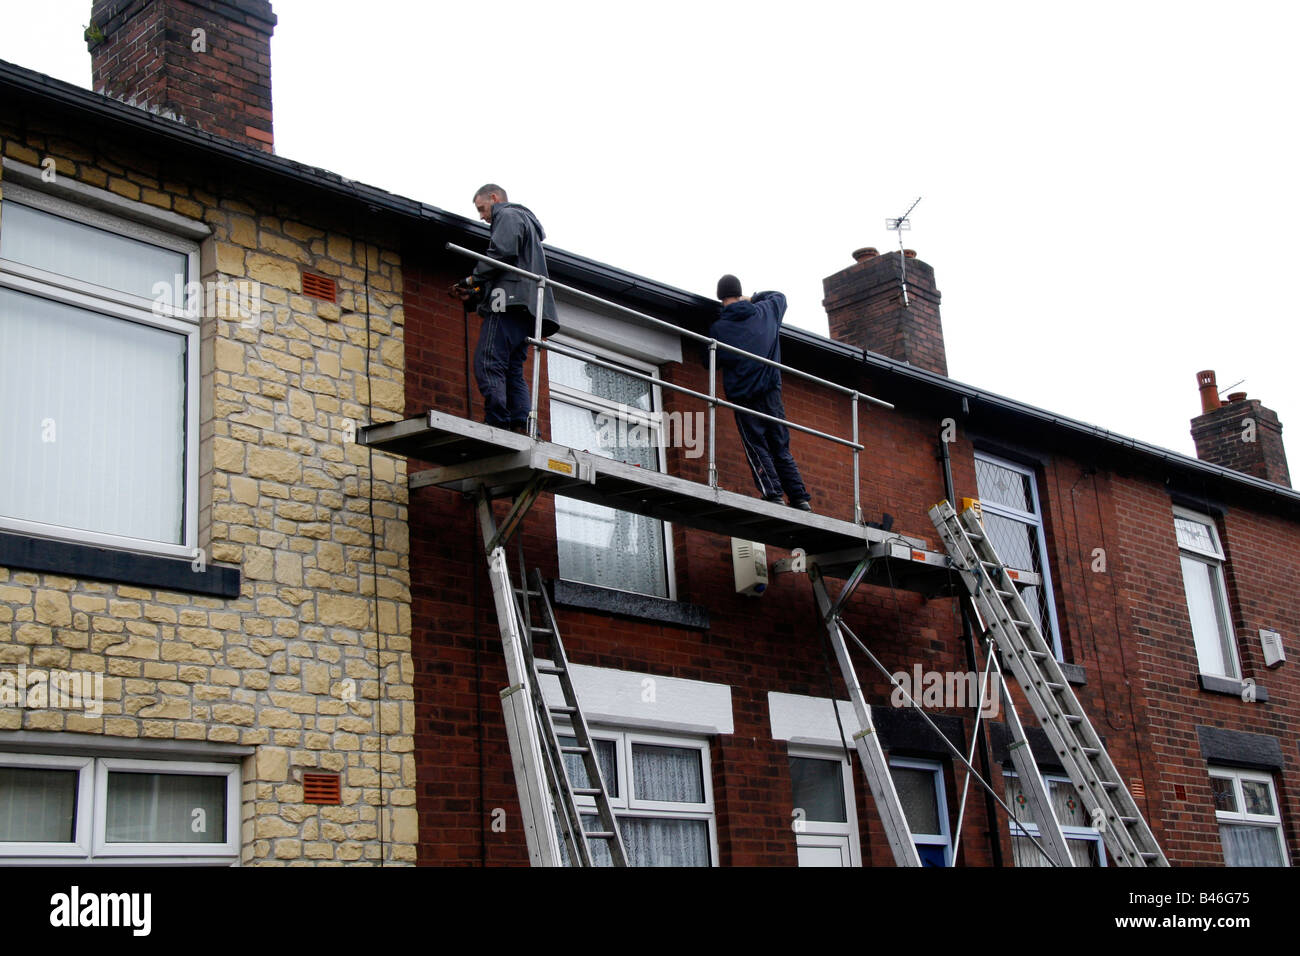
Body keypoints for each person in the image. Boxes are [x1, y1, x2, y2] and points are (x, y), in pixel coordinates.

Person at [450, 184, 559, 433]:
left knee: (489, 361)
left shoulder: (508, 215)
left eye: (482, 208)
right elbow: (506, 270)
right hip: (526, 307)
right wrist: (475, 295)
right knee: (512, 369)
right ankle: (521, 423)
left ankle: (497, 420)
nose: (482, 216)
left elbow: (500, 254)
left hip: (508, 303)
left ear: (494, 198)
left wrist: (471, 280)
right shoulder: (525, 223)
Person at [709, 274, 811, 511]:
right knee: (780, 446)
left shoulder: (719, 328)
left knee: (756, 445)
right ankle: (800, 498)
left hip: (744, 397)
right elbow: (780, 296)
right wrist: (754, 298)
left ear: (720, 297)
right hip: (771, 394)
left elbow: (709, 360)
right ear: (740, 293)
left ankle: (772, 493)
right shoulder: (766, 312)